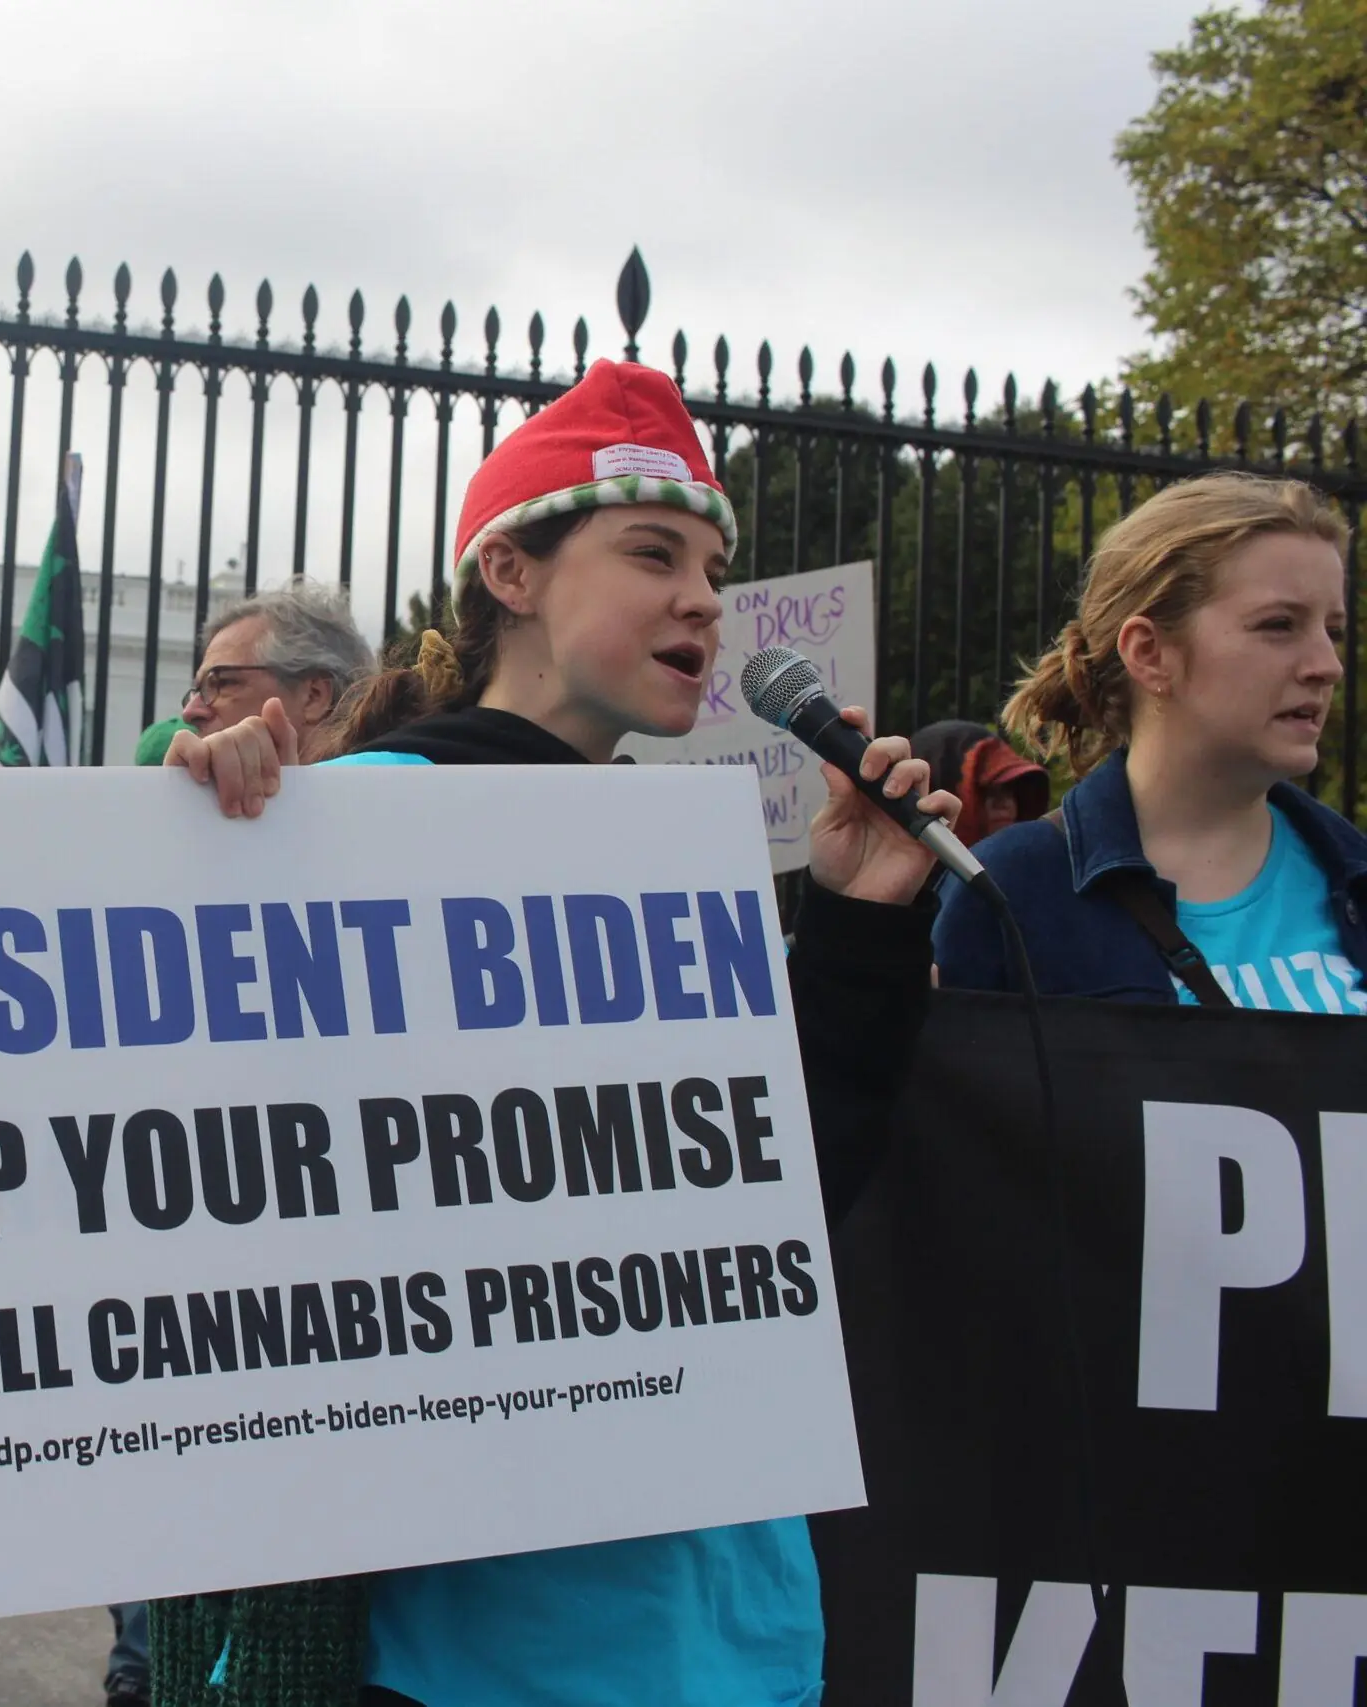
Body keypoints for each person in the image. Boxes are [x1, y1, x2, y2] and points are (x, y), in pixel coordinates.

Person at [154, 360, 957, 1707]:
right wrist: (193, 840)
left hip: (718, 1612)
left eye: (713, 568)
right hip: (462, 1638)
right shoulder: (338, 817)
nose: (703, 598)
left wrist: (859, 924)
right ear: (511, 574)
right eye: (653, 554)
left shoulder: (680, 868)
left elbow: (775, 1217)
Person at [935, 472, 1366, 1007]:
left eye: (1333, 631)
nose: (1327, 666)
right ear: (1149, 652)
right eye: (1279, 625)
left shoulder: (1351, 874)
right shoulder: (1010, 888)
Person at [177, 579, 376, 760]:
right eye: (198, 691)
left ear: (314, 696)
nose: (190, 712)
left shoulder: (378, 784)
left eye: (223, 683)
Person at [910, 719, 1049, 849]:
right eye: (986, 791)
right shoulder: (908, 864)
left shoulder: (1030, 860)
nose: (1005, 804)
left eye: (1009, 789)